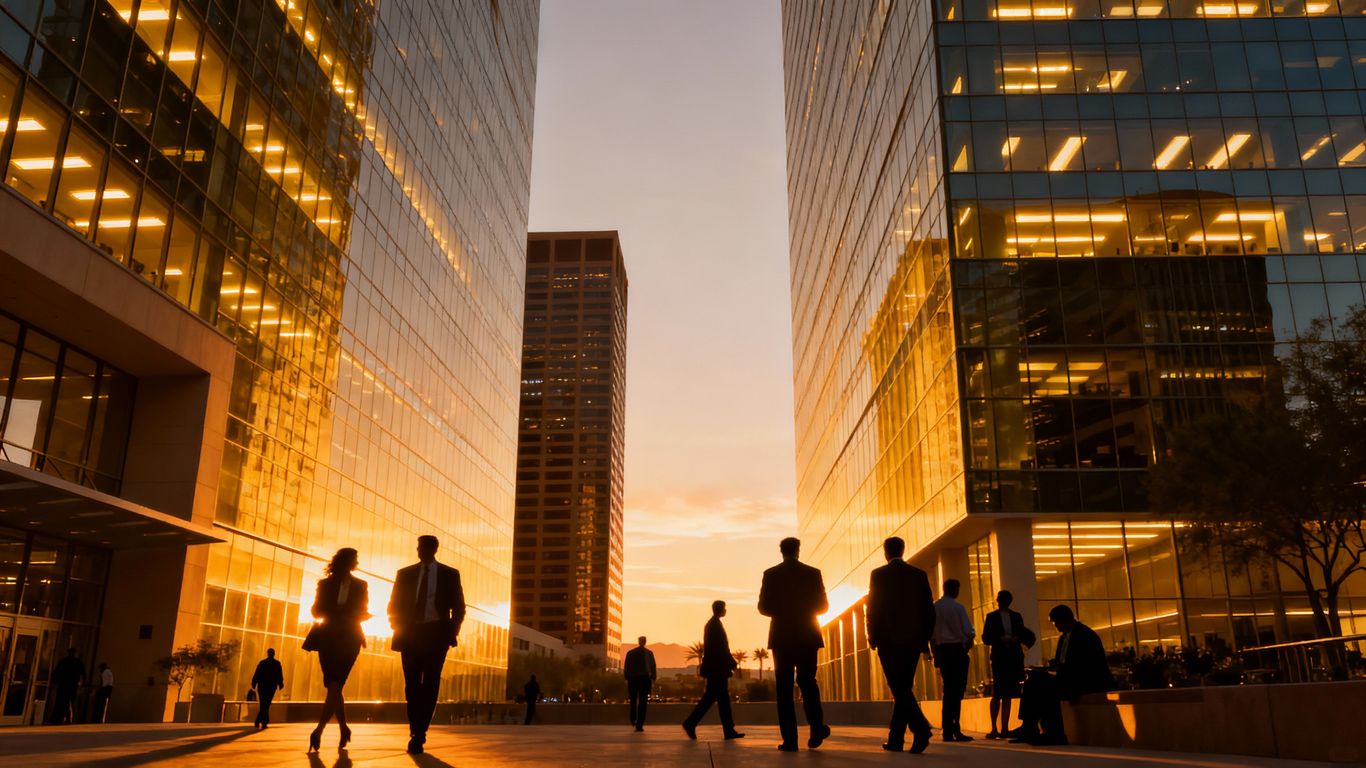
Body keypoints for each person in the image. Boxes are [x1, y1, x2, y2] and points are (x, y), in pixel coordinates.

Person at [389, 535, 465, 755]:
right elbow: (393, 604)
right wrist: (397, 626)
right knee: (412, 685)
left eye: (423, 547)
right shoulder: (405, 574)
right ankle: (415, 729)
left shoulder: (449, 574)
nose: (419, 551)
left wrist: (451, 631)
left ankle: (420, 733)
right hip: (410, 634)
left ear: (433, 549)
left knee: (430, 683)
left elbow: (458, 608)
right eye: (418, 547)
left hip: (436, 635)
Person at [758, 537, 829, 752]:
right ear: (798, 550)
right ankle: (817, 728)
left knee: (784, 689)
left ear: (781, 551)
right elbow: (823, 606)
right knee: (808, 682)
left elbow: (763, 607)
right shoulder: (813, 573)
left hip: (782, 637)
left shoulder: (771, 574)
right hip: (807, 635)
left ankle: (790, 741)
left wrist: (783, 611)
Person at [866, 537, 935, 754]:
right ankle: (895, 739)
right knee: (903, 687)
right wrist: (925, 639)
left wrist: (872, 635)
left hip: (888, 640)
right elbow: (929, 611)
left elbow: (873, 607)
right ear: (903, 550)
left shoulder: (878, 575)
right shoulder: (919, 575)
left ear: (886, 552)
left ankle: (920, 728)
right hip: (913, 640)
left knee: (898, 687)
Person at [1013, 604, 1114, 746]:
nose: (1056, 627)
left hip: (1086, 681)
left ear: (1063, 620)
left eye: (1055, 623)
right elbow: (1064, 662)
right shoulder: (1065, 637)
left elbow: (1083, 665)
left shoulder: (1084, 635)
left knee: (1044, 686)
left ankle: (1053, 732)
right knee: (1033, 680)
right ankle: (1029, 726)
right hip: (1071, 677)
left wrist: (1059, 668)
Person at [307, 548, 368, 752]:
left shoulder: (361, 585)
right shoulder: (325, 584)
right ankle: (344, 728)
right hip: (328, 638)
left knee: (336, 683)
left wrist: (354, 613)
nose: (357, 562)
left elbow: (362, 609)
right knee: (334, 686)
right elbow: (315, 610)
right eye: (355, 559)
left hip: (350, 639)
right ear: (347, 561)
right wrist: (337, 611)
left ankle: (319, 730)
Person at [682, 601, 745, 740]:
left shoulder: (713, 624)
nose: (726, 610)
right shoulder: (715, 626)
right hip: (717, 670)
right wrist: (735, 665)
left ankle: (728, 729)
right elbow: (722, 649)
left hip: (716, 669)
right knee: (713, 699)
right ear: (720, 609)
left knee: (720, 699)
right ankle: (691, 723)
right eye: (725, 608)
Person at [981, 591, 1033, 740]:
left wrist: (1015, 639)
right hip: (1001, 657)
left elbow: (1023, 634)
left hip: (1011, 657)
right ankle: (997, 727)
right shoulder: (993, 617)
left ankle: (1002, 728)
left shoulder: (1015, 617)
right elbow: (986, 638)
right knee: (1000, 693)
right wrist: (1001, 639)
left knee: (1005, 693)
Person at [932, 578, 975, 742]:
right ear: (955, 589)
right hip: (957, 650)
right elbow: (969, 631)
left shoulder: (935, 607)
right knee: (957, 692)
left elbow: (932, 635)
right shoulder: (958, 607)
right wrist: (966, 645)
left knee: (948, 691)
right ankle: (955, 727)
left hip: (943, 651)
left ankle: (947, 729)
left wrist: (935, 654)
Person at [623, 636, 657, 731]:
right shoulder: (649, 653)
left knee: (633, 700)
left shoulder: (630, 653)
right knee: (643, 702)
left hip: (633, 679)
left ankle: (633, 719)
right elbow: (653, 666)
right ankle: (639, 724)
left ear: (639, 642)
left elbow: (627, 666)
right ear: (645, 642)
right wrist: (653, 677)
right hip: (644, 679)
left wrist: (626, 677)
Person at [48, 648, 85, 725]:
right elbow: (83, 675)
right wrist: (81, 685)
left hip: (63, 685)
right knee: (71, 702)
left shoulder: (63, 661)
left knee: (61, 702)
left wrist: (55, 682)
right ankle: (70, 719)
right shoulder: (78, 663)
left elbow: (56, 672)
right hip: (73, 685)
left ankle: (58, 719)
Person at [251, 649, 285, 730]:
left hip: (262, 686)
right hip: (271, 686)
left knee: (264, 704)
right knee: (266, 704)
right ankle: (263, 722)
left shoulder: (263, 663)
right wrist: (280, 683)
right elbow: (279, 675)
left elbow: (257, 673)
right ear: (273, 654)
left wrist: (254, 682)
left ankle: (259, 721)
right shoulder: (276, 663)